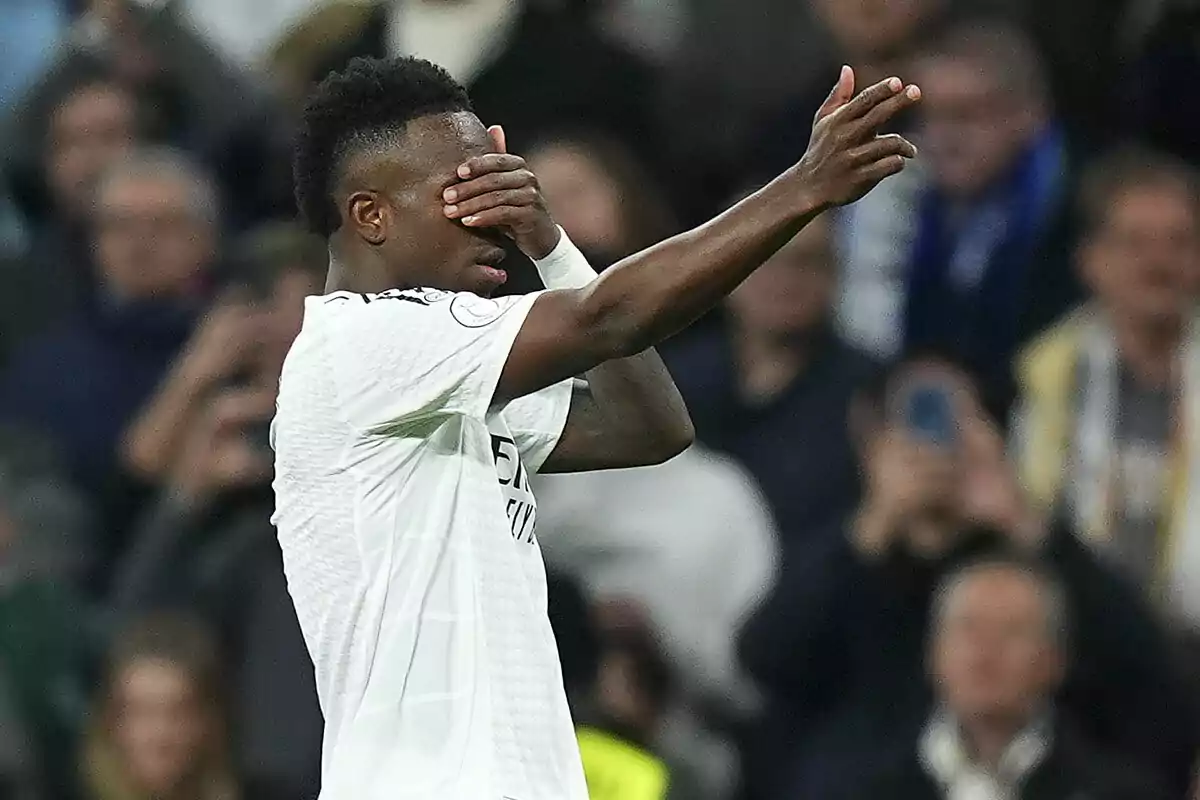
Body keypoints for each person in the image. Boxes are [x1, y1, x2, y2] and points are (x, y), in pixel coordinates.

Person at [272, 54, 919, 800]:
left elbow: (647, 426)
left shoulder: (439, 383)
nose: (492, 217)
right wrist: (803, 188)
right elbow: (608, 318)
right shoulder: (360, 345)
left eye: (498, 184)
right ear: (371, 215)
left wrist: (550, 244)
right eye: (464, 190)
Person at [735, 352, 1198, 799]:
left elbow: (1148, 675)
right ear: (873, 440)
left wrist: (1023, 521)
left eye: (960, 419)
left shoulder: (1031, 554)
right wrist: (873, 527)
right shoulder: (852, 552)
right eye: (918, 418)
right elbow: (763, 658)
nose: (938, 442)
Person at [850, 556, 1171, 800]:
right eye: (968, 628)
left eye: (1012, 632)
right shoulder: (866, 788)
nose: (985, 651)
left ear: (1054, 662)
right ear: (935, 654)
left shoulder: (1118, 793)